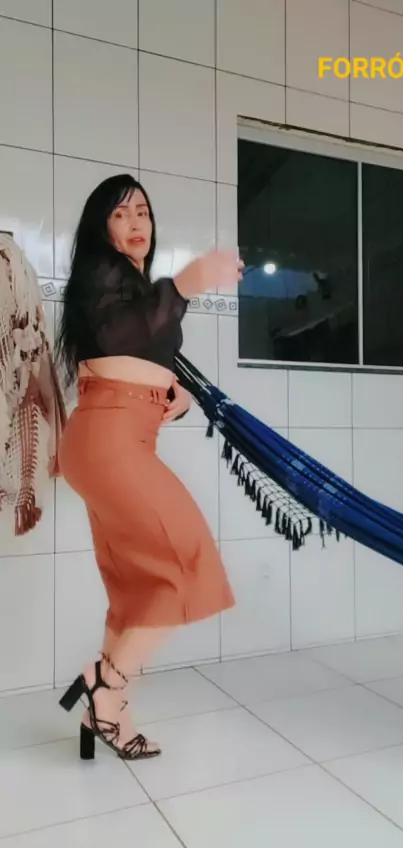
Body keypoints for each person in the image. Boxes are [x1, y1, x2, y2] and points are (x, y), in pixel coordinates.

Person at [56, 174, 243, 761]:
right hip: (110, 439)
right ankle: (103, 684)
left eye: (142, 211)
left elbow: (136, 350)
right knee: (187, 563)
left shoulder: (128, 285)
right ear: (101, 228)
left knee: (135, 584)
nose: (136, 222)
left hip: (116, 437)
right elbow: (124, 333)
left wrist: (173, 391)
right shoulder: (101, 271)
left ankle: (109, 714)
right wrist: (187, 282)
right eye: (120, 214)